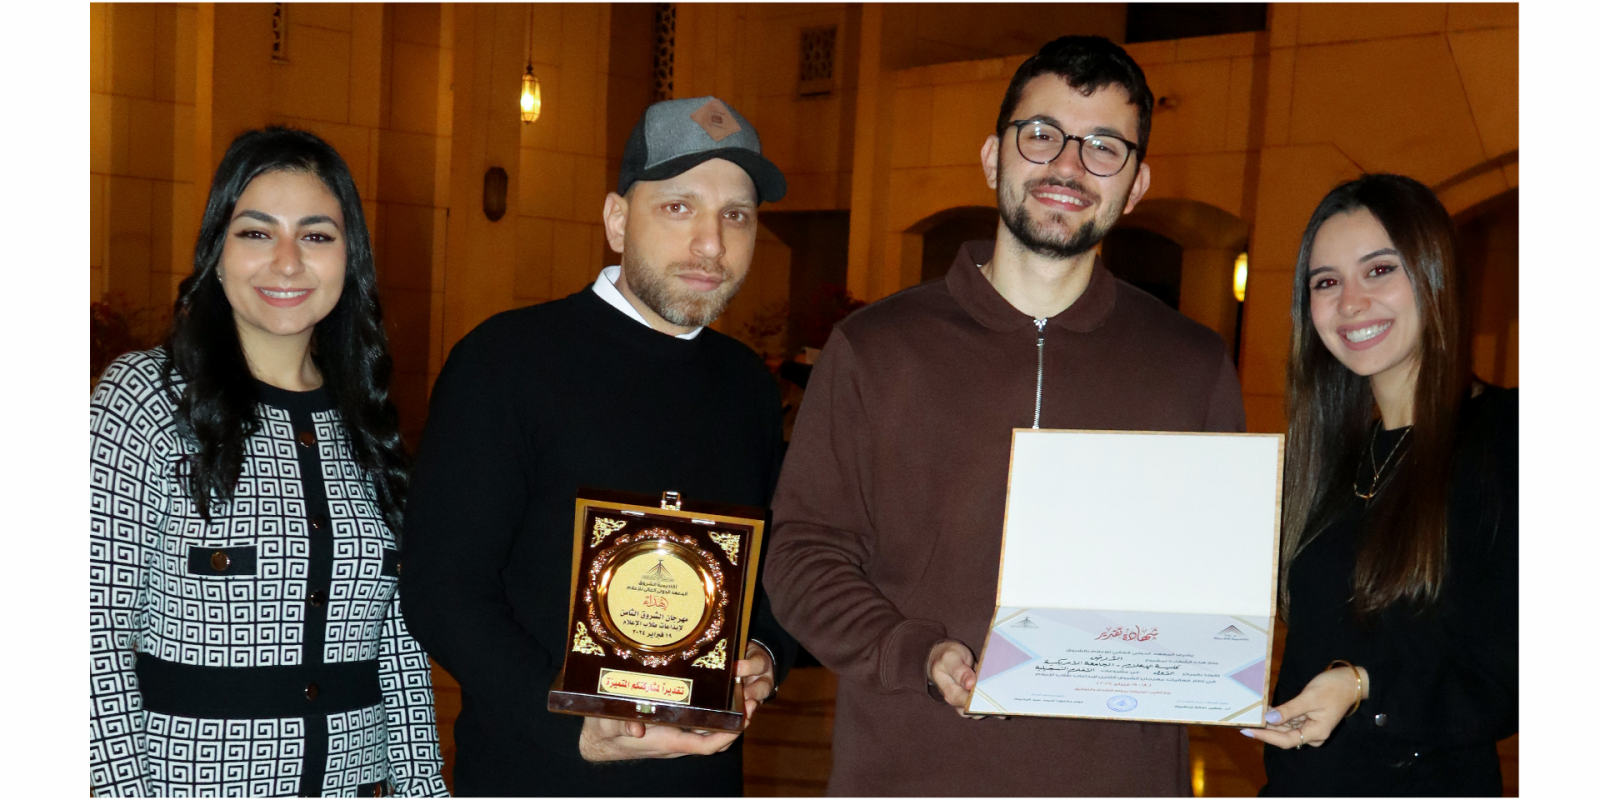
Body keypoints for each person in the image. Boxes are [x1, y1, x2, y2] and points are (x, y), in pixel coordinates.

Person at [763, 36, 1245, 796]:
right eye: (1042, 135)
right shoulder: (874, 349)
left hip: (1118, 778)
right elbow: (802, 555)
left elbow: (1218, 583)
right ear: (993, 157)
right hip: (909, 768)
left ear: (1138, 182)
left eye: (1104, 147)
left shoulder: (1191, 364)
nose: (1069, 166)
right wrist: (915, 651)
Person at [400, 96, 798, 797]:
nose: (712, 244)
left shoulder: (749, 389)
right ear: (617, 220)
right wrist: (566, 722)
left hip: (701, 780)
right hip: (538, 775)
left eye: (735, 214)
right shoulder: (507, 362)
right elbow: (442, 590)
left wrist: (764, 649)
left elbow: (773, 567)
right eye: (678, 208)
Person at [89, 127, 449, 797]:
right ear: (215, 254)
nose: (287, 262)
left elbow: (398, 656)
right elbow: (89, 638)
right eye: (256, 233)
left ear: (350, 259)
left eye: (316, 236)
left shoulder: (368, 424)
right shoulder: (145, 400)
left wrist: (425, 791)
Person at [1242, 174, 1517, 795]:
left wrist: (1365, 687)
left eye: (1379, 270)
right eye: (1327, 282)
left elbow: (1513, 674)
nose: (1350, 303)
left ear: (1433, 275)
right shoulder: (1329, 465)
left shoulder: (1509, 438)